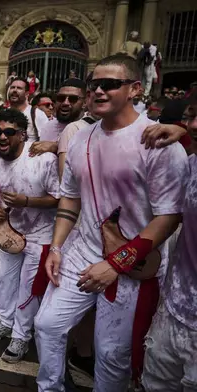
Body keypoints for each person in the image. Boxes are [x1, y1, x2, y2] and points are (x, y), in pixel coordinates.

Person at [34, 54, 188, 391]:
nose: (99, 91)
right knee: (47, 325)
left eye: (110, 84)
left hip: (133, 264)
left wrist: (116, 265)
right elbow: (70, 197)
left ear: (134, 88)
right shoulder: (80, 138)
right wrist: (56, 247)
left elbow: (170, 215)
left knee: (111, 355)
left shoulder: (157, 142)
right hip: (80, 252)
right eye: (94, 85)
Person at [0, 108, 60, 362]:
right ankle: (4, 321)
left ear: (23, 135)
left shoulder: (42, 159)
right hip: (8, 234)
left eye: (9, 132)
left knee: (28, 288)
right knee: (6, 281)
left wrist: (27, 201)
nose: (2, 137)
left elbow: (59, 199)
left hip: (40, 234)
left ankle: (21, 336)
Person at [141, 96, 197, 391]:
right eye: (192, 116)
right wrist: (181, 134)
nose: (195, 124)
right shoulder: (190, 162)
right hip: (173, 312)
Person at [36, 79, 86, 145]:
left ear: (85, 103)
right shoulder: (48, 127)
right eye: (61, 98)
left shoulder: (90, 128)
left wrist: (55, 147)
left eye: (73, 99)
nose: (65, 103)